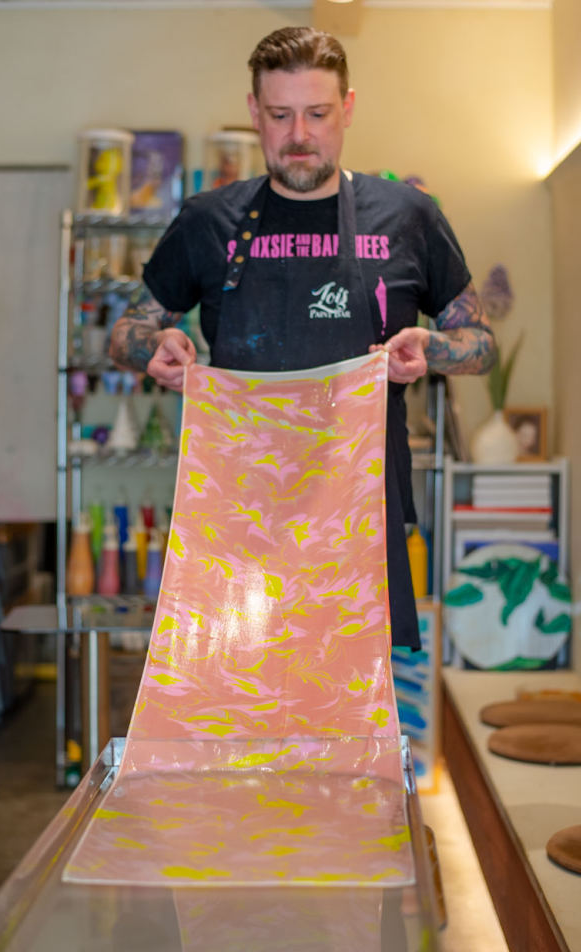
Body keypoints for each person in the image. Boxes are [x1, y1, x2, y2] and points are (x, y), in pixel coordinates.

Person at [109, 26, 497, 649]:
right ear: (253, 111)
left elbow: (481, 342)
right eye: (280, 115)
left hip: (361, 517)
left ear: (347, 107)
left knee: (353, 695)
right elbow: (127, 329)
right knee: (239, 692)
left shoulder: (409, 217)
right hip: (239, 520)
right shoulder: (209, 220)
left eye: (317, 114)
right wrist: (150, 346)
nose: (299, 135)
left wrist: (434, 351)